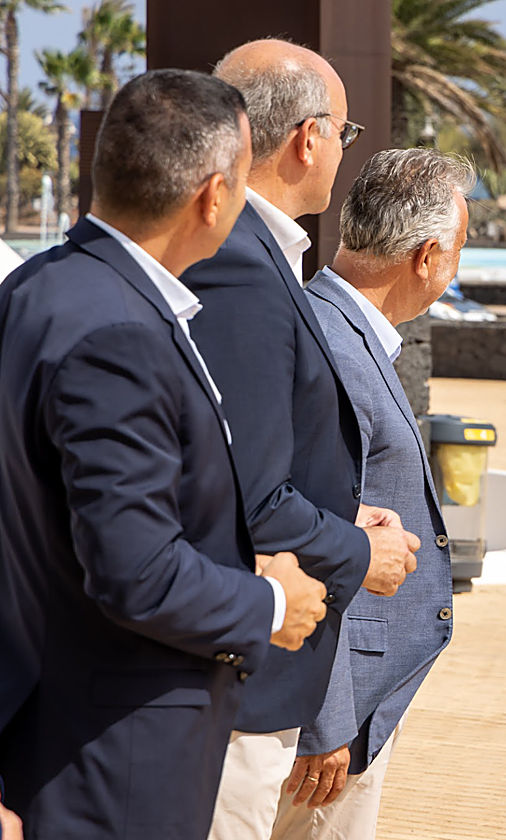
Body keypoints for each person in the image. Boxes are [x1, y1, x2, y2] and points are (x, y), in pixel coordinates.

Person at [0, 69, 328, 840]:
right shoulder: (117, 332)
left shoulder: (40, 287)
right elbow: (135, 571)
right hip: (114, 761)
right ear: (213, 196)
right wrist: (273, 605)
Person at [179, 41, 418, 840]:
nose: (342, 158)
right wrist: (358, 549)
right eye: (345, 136)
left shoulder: (251, 252)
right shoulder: (240, 264)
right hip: (237, 677)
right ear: (308, 138)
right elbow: (243, 489)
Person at [272, 148, 472, 840]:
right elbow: (298, 529)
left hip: (355, 693)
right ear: (425, 256)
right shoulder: (333, 342)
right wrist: (326, 719)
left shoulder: (339, 328)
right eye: (458, 249)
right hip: (332, 705)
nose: (456, 270)